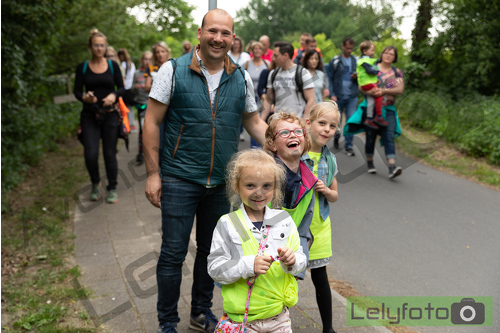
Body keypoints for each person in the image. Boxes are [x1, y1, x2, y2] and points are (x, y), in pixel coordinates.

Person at [142, 9, 268, 333]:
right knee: (172, 253)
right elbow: (152, 121)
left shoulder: (241, 76)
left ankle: (201, 312)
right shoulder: (172, 70)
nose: (218, 38)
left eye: (225, 33)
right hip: (179, 177)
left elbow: (253, 121)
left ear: (232, 37)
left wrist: (282, 141)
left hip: (222, 182)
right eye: (212, 31)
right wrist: (153, 174)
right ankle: (167, 322)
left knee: (211, 253)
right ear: (200, 33)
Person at [208, 149, 306, 332]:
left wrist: (292, 261)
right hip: (242, 320)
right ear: (237, 186)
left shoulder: (283, 220)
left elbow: (300, 260)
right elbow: (215, 269)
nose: (259, 193)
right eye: (250, 185)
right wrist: (248, 265)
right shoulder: (228, 224)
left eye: (267, 186)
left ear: (276, 187)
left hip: (279, 317)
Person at [263, 111, 317, 280]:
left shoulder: (309, 182)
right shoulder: (262, 175)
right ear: (273, 144)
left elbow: (302, 231)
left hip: (288, 261)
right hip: (258, 259)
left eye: (298, 131)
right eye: (285, 132)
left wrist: (297, 269)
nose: (292, 135)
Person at [74, 29, 125, 203]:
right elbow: (76, 91)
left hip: (110, 115)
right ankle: (96, 183)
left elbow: (122, 88)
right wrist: (84, 97)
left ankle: (112, 187)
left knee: (109, 154)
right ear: (90, 46)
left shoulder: (113, 66)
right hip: (90, 115)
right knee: (90, 153)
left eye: (102, 45)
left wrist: (114, 96)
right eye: (96, 45)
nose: (99, 48)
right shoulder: (83, 67)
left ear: (105, 46)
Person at [302, 102, 340, 333]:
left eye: (332, 126)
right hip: (296, 227)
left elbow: (335, 196)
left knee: (321, 280)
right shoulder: (295, 152)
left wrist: (326, 190)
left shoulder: (331, 160)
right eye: (322, 123)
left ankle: (328, 329)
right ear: (309, 123)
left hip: (321, 226)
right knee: (285, 276)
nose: (327, 129)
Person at [344, 46, 405, 179]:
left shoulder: (396, 72)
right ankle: (370, 162)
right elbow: (361, 84)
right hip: (370, 107)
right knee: (370, 136)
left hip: (388, 109)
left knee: (388, 136)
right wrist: (370, 91)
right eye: (386, 52)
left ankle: (392, 167)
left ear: (395, 57)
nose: (388, 55)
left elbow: (400, 89)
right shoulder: (372, 66)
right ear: (382, 54)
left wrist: (384, 91)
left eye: (392, 54)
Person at [262, 41, 315, 122]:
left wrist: (304, 122)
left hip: (296, 123)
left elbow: (311, 100)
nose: (273, 59)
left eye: (276, 56)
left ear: (285, 55)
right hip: (277, 123)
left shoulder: (302, 73)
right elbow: (268, 100)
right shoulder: (273, 74)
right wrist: (261, 121)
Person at [327, 37, 358, 156]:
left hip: (352, 95)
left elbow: (364, 76)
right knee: (337, 120)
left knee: (351, 120)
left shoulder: (356, 60)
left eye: (351, 48)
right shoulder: (335, 61)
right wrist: (332, 94)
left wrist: (358, 77)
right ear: (342, 47)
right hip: (338, 95)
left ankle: (349, 146)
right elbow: (329, 77)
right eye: (347, 48)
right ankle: (336, 137)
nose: (349, 50)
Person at [244, 41, 270, 149]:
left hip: (262, 97)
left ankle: (263, 147)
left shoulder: (267, 63)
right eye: (255, 49)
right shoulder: (247, 64)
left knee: (261, 120)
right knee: (252, 121)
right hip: (250, 96)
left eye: (260, 49)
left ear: (262, 51)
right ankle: (254, 148)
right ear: (252, 50)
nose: (257, 50)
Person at [356, 41, 388, 129]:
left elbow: (376, 61)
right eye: (372, 50)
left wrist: (380, 60)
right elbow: (370, 70)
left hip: (368, 83)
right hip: (367, 83)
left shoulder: (369, 59)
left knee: (371, 99)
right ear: (364, 51)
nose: (373, 52)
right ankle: (379, 116)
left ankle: (369, 118)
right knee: (379, 96)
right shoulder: (363, 60)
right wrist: (377, 69)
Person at [131, 51, 152, 164]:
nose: (146, 61)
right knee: (142, 131)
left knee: (153, 130)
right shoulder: (137, 73)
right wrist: (135, 86)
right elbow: (131, 88)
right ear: (141, 60)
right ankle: (141, 154)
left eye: (149, 59)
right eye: (144, 58)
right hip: (141, 105)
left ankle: (154, 153)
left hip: (152, 105)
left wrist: (147, 86)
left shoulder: (154, 71)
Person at [118, 48, 137, 132]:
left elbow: (123, 77)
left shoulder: (123, 64)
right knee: (130, 108)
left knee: (126, 108)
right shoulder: (131, 64)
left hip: (126, 88)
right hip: (131, 87)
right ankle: (131, 125)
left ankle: (129, 125)